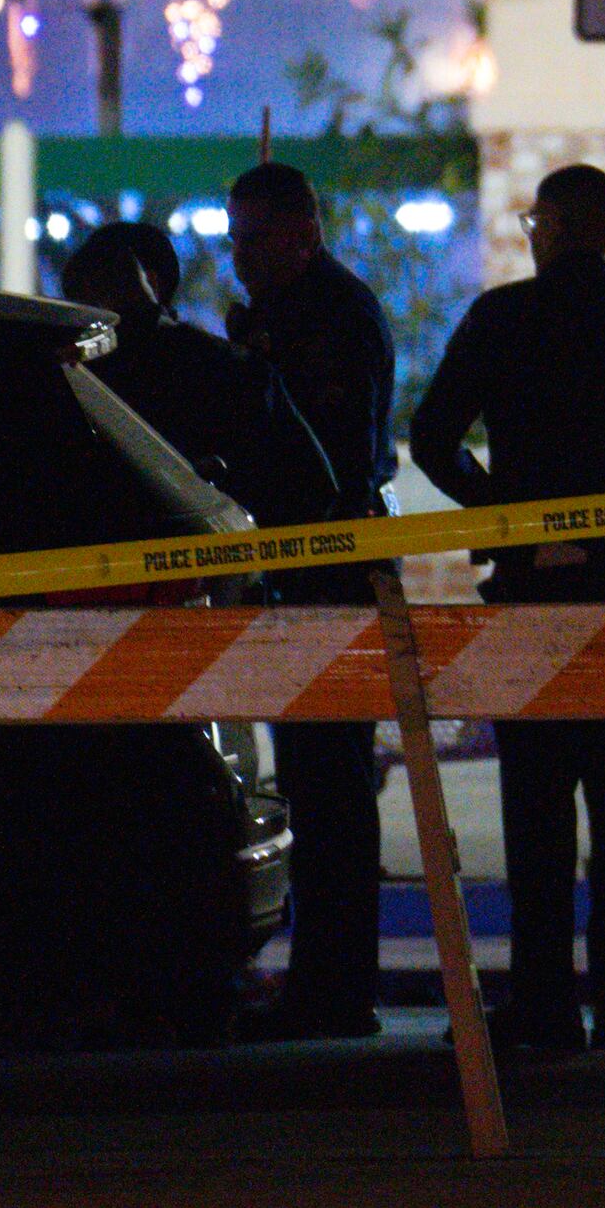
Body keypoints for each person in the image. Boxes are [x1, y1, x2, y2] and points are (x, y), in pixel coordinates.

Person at [405, 162, 605, 1057]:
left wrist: (496, 514)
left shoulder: (503, 319)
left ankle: (543, 1001)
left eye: (533, 218)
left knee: (537, 803)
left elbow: (432, 434)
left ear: (552, 225)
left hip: (532, 588)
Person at [225, 160, 401, 1038]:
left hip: (331, 570)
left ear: (304, 232)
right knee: (314, 779)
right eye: (233, 239)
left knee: (331, 785)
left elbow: (331, 456)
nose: (238, 255)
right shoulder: (295, 312)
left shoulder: (329, 317)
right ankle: (326, 979)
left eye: (254, 238)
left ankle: (337, 986)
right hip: (305, 572)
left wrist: (260, 362)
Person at [57, 220, 337, 527]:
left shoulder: (79, 380)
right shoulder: (234, 366)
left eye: (86, 304)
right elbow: (315, 489)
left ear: (149, 283)